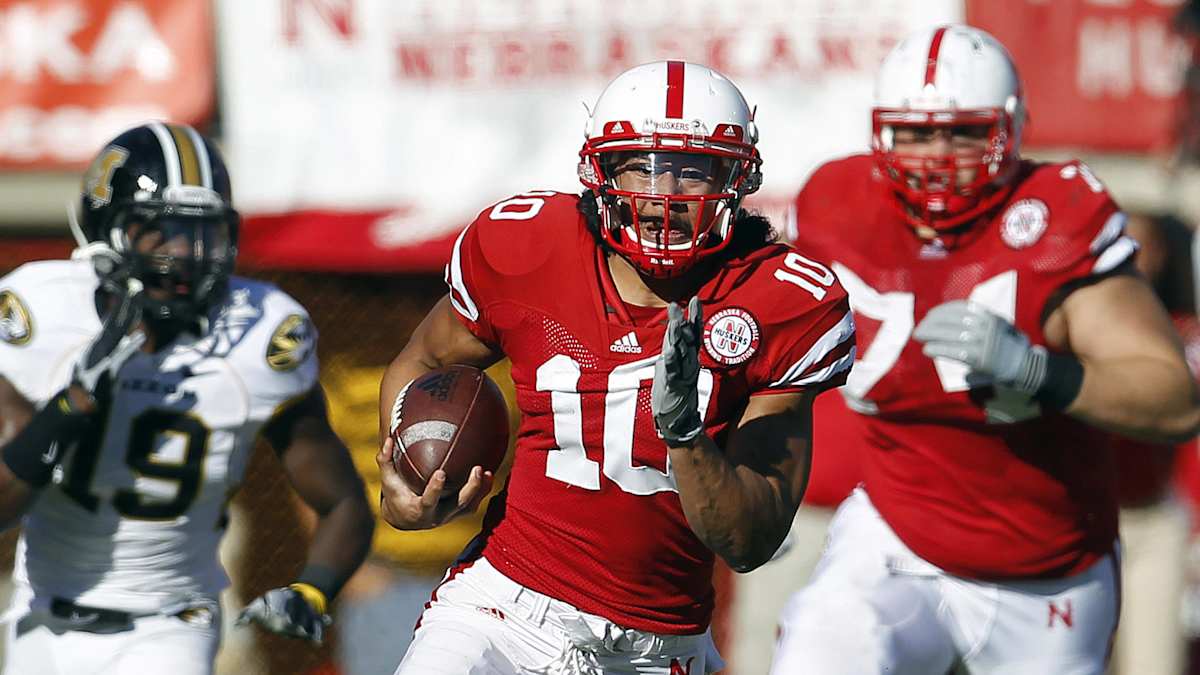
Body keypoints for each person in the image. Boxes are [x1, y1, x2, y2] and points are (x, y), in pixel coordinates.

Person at [374, 60, 856, 674]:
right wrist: (408, 479)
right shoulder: (527, 249)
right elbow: (427, 359)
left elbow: (747, 542)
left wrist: (685, 435)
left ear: (738, 178)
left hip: (661, 648)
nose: (663, 194)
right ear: (598, 171)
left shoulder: (779, 301)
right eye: (641, 166)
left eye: (692, 170)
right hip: (503, 612)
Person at [772, 24, 1200, 675]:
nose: (938, 155)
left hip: (1045, 568)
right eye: (915, 133)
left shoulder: (1055, 214)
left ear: (1011, 129)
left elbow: (1174, 400)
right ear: (881, 133)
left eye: (965, 132)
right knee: (817, 658)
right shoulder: (836, 203)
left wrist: (1039, 372)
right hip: (897, 537)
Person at [0, 122, 375, 674]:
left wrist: (315, 588)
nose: (184, 255)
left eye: (202, 235)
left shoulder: (260, 333)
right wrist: (74, 402)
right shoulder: (41, 313)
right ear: (107, 229)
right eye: (161, 232)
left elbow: (342, 501)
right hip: (43, 614)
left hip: (171, 623)